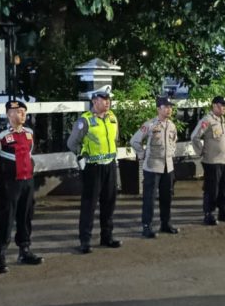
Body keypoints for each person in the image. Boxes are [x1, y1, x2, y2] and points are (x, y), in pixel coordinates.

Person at [0, 99, 43, 273]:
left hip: (27, 182)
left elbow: (29, 154)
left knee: (26, 216)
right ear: (9, 114)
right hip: (9, 184)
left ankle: (24, 249)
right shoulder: (0, 136)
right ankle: (0, 255)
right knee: (5, 219)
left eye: (24, 112)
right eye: (18, 112)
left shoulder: (29, 133)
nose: (22, 115)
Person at [67, 86, 123, 253]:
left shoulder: (112, 118)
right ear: (94, 101)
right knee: (89, 205)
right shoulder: (85, 120)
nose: (107, 103)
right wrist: (81, 156)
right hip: (93, 168)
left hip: (110, 166)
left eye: (108, 100)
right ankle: (85, 240)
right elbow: (72, 143)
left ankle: (107, 237)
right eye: (104, 99)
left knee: (109, 203)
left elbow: (115, 138)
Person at [130, 96, 181, 238]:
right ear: (159, 108)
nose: (169, 109)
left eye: (170, 107)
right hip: (152, 167)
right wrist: (142, 154)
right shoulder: (150, 124)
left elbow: (174, 142)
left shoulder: (172, 125)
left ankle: (166, 223)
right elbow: (134, 140)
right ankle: (147, 226)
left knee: (167, 197)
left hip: (168, 167)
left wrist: (171, 153)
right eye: (166, 107)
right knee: (149, 199)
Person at [189, 96, 225, 225]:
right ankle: (208, 214)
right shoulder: (207, 120)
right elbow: (195, 136)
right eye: (222, 106)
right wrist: (201, 151)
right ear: (214, 106)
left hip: (224, 160)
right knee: (212, 189)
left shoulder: (221, 119)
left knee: (224, 187)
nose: (224, 108)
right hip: (212, 161)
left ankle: (223, 212)